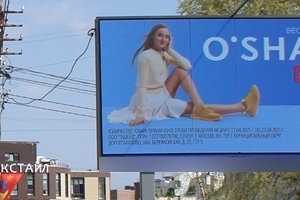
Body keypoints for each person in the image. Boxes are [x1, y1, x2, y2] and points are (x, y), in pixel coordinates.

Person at [107, 23, 259, 125]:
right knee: (191, 106)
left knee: (180, 71)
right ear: (153, 37)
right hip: (151, 102)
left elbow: (187, 66)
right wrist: (141, 114)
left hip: (162, 94)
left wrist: (170, 50)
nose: (163, 39)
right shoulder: (145, 56)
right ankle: (242, 106)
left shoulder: (164, 55)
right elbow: (140, 87)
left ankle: (200, 108)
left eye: (167, 37)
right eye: (160, 35)